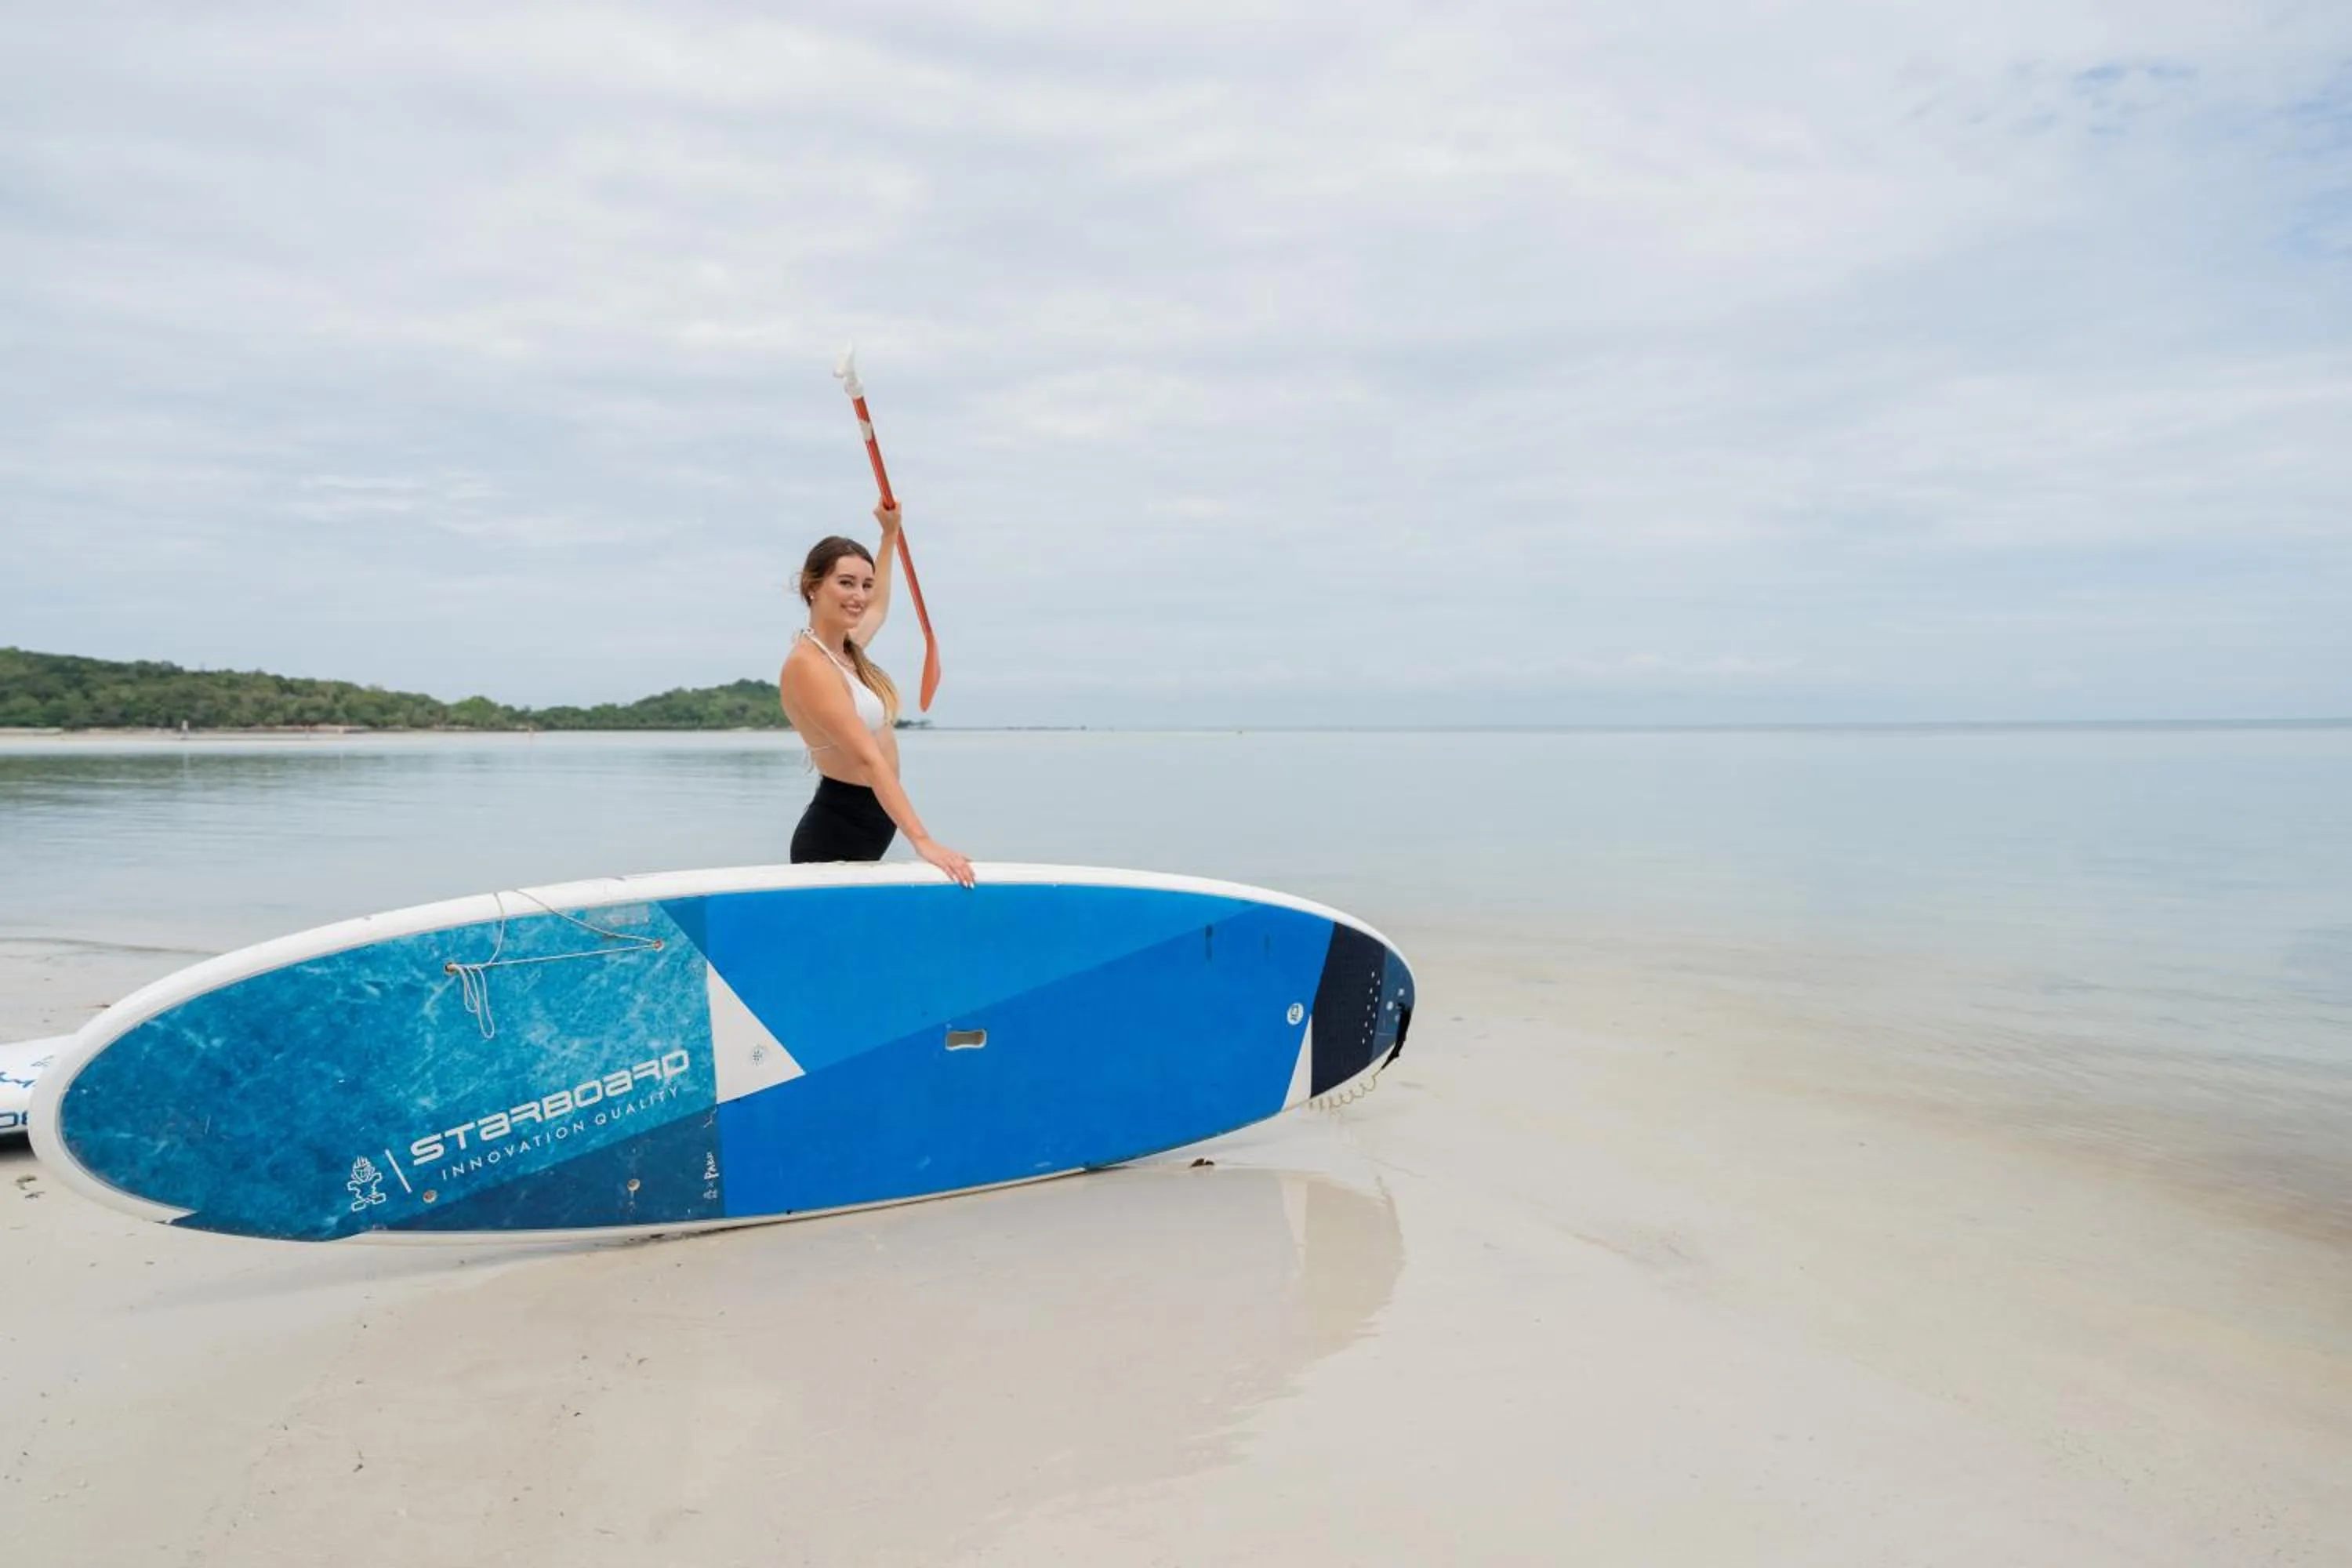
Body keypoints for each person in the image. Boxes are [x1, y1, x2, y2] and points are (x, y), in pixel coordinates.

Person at [779, 503, 975, 886]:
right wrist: (923, 841)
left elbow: (880, 606)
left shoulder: (845, 650)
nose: (860, 595)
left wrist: (889, 536)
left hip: (868, 824)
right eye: (846, 582)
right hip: (835, 833)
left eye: (864, 584)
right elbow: (868, 760)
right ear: (813, 586)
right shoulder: (809, 666)